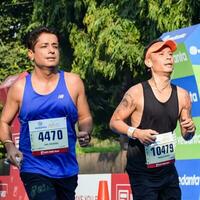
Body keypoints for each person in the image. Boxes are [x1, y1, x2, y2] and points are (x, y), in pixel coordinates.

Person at [0, 26, 93, 200]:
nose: (51, 50)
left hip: (67, 169)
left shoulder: (73, 82)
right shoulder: (19, 88)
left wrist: (86, 132)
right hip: (34, 168)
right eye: (44, 46)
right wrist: (9, 145)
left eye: (55, 46)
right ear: (31, 54)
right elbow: (3, 121)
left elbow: (85, 117)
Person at [109, 39, 196, 200]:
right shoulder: (136, 93)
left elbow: (186, 134)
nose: (168, 57)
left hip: (168, 170)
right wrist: (136, 133)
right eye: (161, 54)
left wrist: (190, 129)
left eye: (170, 54)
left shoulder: (183, 95)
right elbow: (114, 121)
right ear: (149, 62)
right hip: (142, 172)